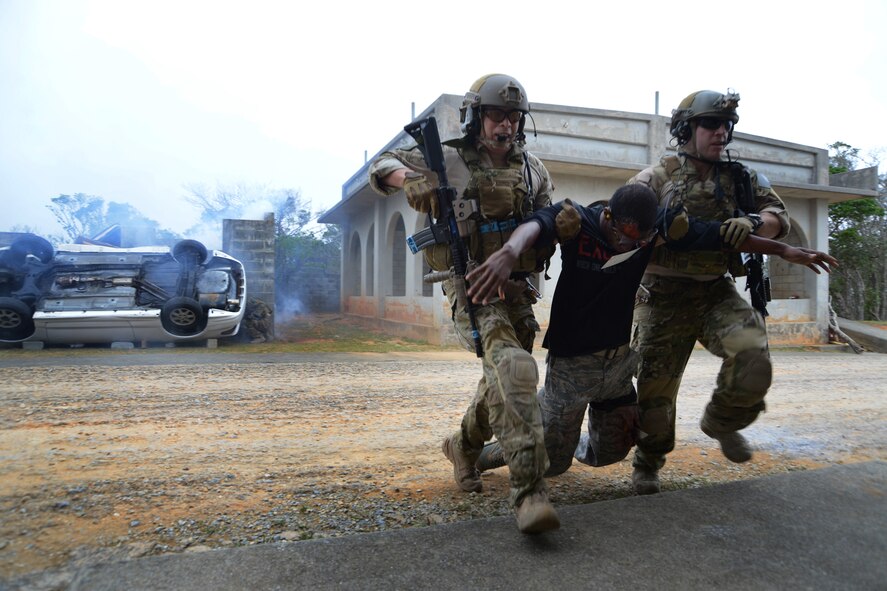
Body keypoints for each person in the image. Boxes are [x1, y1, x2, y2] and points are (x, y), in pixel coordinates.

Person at [465, 185, 835, 481]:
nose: (630, 245)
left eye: (639, 240)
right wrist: (510, 252)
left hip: (617, 366)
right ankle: (504, 448)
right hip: (572, 366)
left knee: (612, 451)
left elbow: (720, 236)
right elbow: (538, 223)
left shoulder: (655, 230)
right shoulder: (579, 223)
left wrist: (784, 249)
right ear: (609, 216)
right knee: (553, 466)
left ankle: (554, 428)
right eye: (624, 236)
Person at [367, 74, 560, 533]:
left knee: (500, 380)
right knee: (513, 370)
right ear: (477, 117)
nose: (506, 125)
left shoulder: (533, 169)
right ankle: (530, 492)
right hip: (470, 287)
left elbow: (546, 218)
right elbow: (382, 164)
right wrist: (410, 178)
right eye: (497, 115)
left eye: (514, 117)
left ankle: (462, 445)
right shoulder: (448, 159)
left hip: (516, 289)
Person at [626, 89, 791, 495]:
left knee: (753, 355)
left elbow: (778, 217)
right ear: (687, 128)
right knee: (654, 396)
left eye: (726, 126)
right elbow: (625, 220)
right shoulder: (657, 176)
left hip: (715, 291)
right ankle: (648, 462)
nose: (721, 132)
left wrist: (754, 222)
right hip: (661, 294)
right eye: (710, 124)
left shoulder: (741, 179)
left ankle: (722, 420)